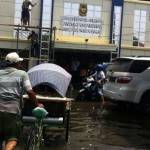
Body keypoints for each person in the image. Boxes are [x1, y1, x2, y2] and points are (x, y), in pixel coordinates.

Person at [0, 52, 39, 150]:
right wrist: (37, 105)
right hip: (12, 111)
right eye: (19, 62)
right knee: (12, 139)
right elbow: (30, 92)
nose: (20, 64)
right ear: (16, 63)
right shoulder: (22, 74)